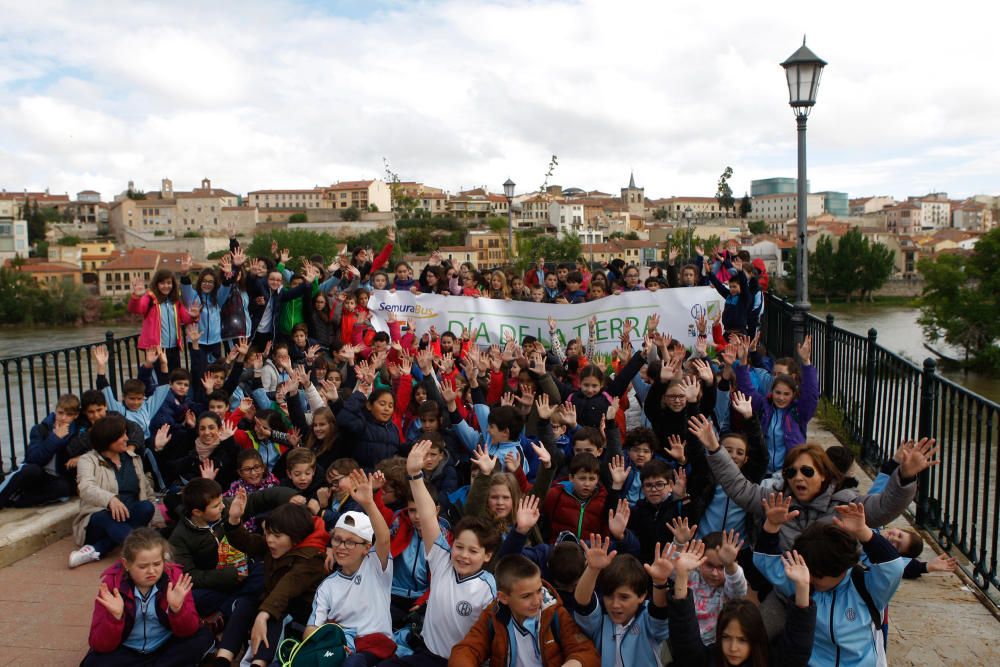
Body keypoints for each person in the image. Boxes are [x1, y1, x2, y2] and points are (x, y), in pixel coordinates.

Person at [381, 440, 501, 666]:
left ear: (487, 556)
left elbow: (492, 635)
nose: (463, 555)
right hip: (427, 654)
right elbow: (427, 517)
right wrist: (415, 475)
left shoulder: (487, 586)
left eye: (473, 551)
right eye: (459, 547)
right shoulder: (442, 561)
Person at [754, 500, 903, 666]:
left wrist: (864, 533)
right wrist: (771, 526)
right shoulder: (802, 581)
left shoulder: (866, 586)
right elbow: (766, 562)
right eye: (807, 572)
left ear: (840, 568)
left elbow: (893, 566)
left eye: (817, 576)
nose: (809, 579)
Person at [213, 495, 329, 667]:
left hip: (298, 616)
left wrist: (263, 614)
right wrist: (234, 519)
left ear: (295, 538)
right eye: (267, 533)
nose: (269, 539)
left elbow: (286, 587)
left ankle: (258, 663)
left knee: (275, 617)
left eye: (276, 535)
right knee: (245, 604)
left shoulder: (311, 558)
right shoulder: (278, 545)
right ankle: (222, 659)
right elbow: (247, 542)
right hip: (272, 603)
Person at [667, 541, 816, 667]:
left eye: (742, 640)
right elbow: (684, 640)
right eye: (726, 637)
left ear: (756, 638)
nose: (733, 648)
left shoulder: (770, 661)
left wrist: (802, 587)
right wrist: (681, 575)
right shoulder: (708, 660)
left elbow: (797, 649)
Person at [81, 527, 214, 666]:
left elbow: (188, 631)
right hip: (127, 650)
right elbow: (99, 644)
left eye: (157, 564)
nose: (151, 571)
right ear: (126, 564)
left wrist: (177, 610)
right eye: (143, 566)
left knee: (202, 638)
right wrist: (115, 618)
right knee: (93, 662)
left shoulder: (174, 579)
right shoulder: (111, 586)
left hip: (166, 646)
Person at [306, 469, 396, 667]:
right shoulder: (327, 586)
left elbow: (383, 538)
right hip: (338, 647)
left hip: (373, 649)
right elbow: (312, 629)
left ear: (366, 548)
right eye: (337, 540)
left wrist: (368, 502)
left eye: (350, 542)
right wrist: (328, 643)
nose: (340, 547)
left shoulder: (376, 567)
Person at [449, 553, 601, 667]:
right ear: (503, 598)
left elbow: (586, 651)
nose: (537, 600)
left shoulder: (554, 613)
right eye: (526, 596)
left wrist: (573, 663)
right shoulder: (493, 615)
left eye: (538, 590)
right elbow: (467, 649)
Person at [70, 415, 159, 569]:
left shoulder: (133, 458)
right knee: (106, 517)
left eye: (126, 433)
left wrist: (158, 520)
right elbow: (85, 488)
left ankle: (97, 549)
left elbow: (148, 491)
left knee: (146, 507)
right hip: (99, 518)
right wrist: (110, 499)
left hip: (128, 516)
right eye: (121, 435)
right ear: (108, 439)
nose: (127, 438)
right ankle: (146, 552)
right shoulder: (88, 460)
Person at [572, 536, 670, 667]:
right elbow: (582, 602)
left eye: (624, 597)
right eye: (609, 596)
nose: (615, 604)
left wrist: (660, 582)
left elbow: (660, 611)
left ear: (641, 596)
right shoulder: (600, 619)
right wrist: (592, 569)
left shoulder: (647, 618)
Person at [0, 393, 80, 508]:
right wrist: (55, 438)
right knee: (31, 470)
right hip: (36, 472)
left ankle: (18, 501)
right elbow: (34, 459)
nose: (63, 418)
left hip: (55, 479)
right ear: (55, 411)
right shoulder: (40, 429)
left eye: (69, 414)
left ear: (76, 416)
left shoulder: (76, 434)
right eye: (60, 413)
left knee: (64, 488)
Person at [128, 269, 198, 371]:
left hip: (174, 347)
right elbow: (135, 309)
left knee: (174, 379)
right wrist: (136, 297)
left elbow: (185, 319)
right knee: (161, 380)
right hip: (156, 349)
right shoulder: (150, 298)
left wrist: (193, 316)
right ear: (157, 284)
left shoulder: (175, 301)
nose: (166, 286)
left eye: (169, 283)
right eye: (162, 283)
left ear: (173, 284)